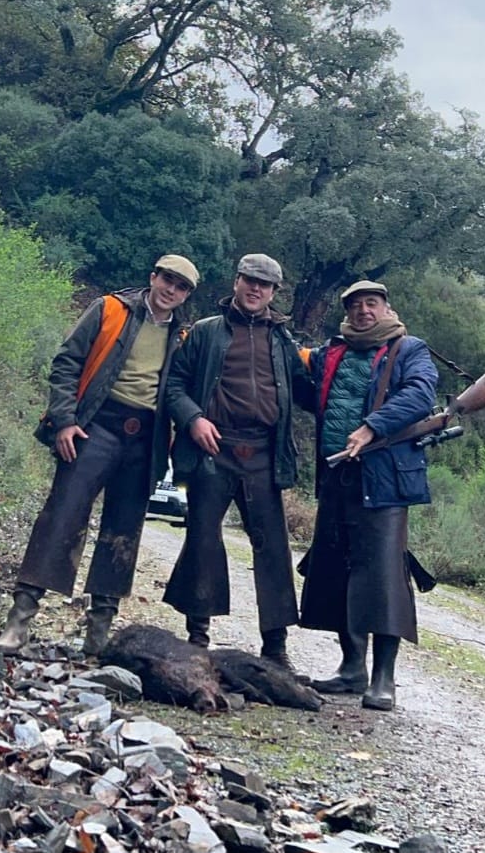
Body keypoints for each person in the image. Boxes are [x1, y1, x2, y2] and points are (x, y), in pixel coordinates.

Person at [0, 254, 200, 656]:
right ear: (153, 276)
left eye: (181, 287)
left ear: (186, 295)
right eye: (167, 280)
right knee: (61, 514)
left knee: (124, 530)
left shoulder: (184, 336)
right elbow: (66, 362)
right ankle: (18, 622)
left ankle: (99, 634)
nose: (171, 290)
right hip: (95, 425)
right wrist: (65, 420)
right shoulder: (110, 309)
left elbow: (181, 389)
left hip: (146, 437)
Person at [162, 253, 314, 670]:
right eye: (249, 280)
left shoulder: (283, 341)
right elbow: (173, 384)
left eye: (264, 285)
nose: (255, 289)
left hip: (264, 452)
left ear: (274, 292)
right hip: (214, 449)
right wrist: (193, 419)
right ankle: (197, 637)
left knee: (273, 548)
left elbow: (308, 391)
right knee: (203, 538)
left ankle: (276, 648)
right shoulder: (205, 332)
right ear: (237, 282)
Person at [299, 281, 438, 710]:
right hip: (337, 476)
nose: (363, 311)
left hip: (385, 480)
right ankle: (352, 669)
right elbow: (310, 394)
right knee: (337, 570)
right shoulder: (331, 353)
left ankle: (383, 679)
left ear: (386, 307)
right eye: (355, 305)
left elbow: (420, 394)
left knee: (383, 578)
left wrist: (371, 427)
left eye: (371, 303)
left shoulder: (409, 349)